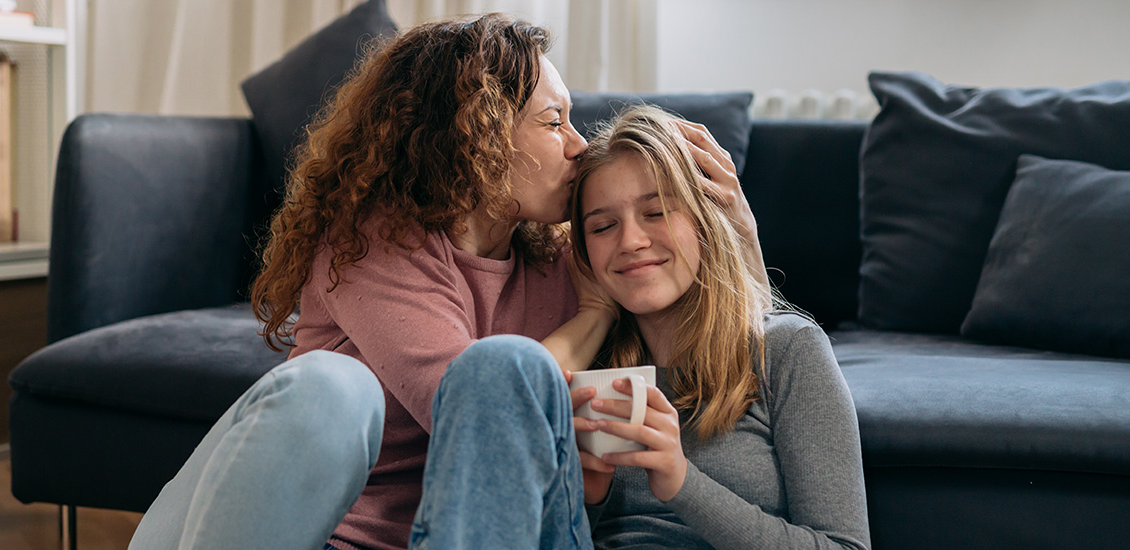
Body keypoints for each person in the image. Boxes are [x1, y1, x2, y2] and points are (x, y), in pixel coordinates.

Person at [128, 13, 762, 550]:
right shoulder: (372, 244)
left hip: (498, 530)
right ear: (478, 134)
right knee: (341, 383)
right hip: (347, 535)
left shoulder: (562, 248)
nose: (577, 146)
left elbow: (723, 321)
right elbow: (477, 407)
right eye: (552, 121)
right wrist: (592, 318)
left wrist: (739, 226)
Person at [566, 105, 871, 549]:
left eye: (656, 212)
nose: (630, 241)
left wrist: (681, 482)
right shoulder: (590, 365)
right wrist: (585, 503)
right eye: (603, 226)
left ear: (706, 220)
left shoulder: (787, 350)